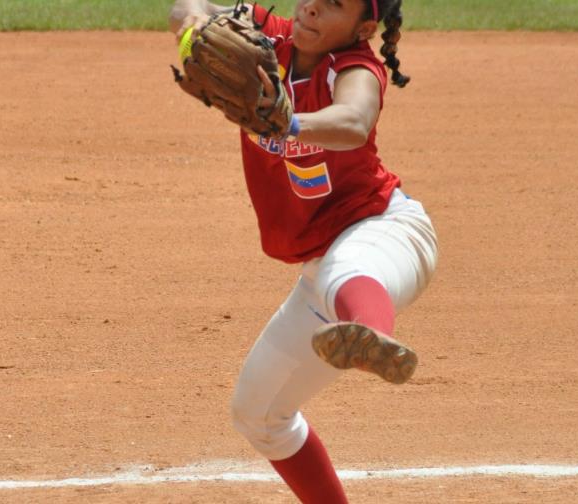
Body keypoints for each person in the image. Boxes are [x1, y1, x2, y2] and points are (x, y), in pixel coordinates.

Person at [168, 1, 438, 502]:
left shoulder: (356, 67)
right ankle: (353, 334)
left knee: (347, 270)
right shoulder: (269, 41)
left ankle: (371, 338)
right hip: (321, 269)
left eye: (334, 4)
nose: (312, 6)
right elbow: (187, 6)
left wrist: (290, 123)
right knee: (259, 416)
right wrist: (192, 34)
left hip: (388, 233)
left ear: (363, 29)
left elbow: (354, 120)